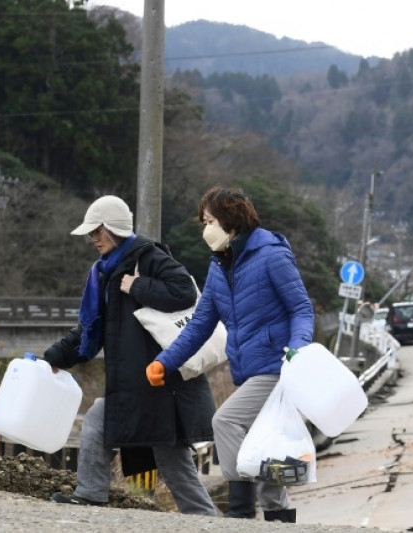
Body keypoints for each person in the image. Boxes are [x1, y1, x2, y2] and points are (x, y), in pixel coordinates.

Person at [145, 187, 314, 523]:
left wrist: (298, 348)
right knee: (267, 453)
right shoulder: (219, 267)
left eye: (209, 220)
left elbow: (301, 308)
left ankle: (239, 513)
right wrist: (165, 361)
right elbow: (199, 326)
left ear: (230, 220)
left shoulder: (271, 254)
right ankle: (280, 521)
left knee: (225, 420)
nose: (204, 228)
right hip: (250, 371)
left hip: (277, 366)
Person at [44, 195, 218, 516]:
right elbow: (89, 330)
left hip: (164, 385)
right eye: (91, 234)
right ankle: (91, 493)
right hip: (142, 387)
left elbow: (184, 290)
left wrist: (137, 286)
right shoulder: (106, 273)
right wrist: (53, 357)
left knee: (173, 462)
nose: (93, 239)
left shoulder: (147, 257)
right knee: (104, 420)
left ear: (113, 229)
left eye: (97, 232)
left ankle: (206, 521)